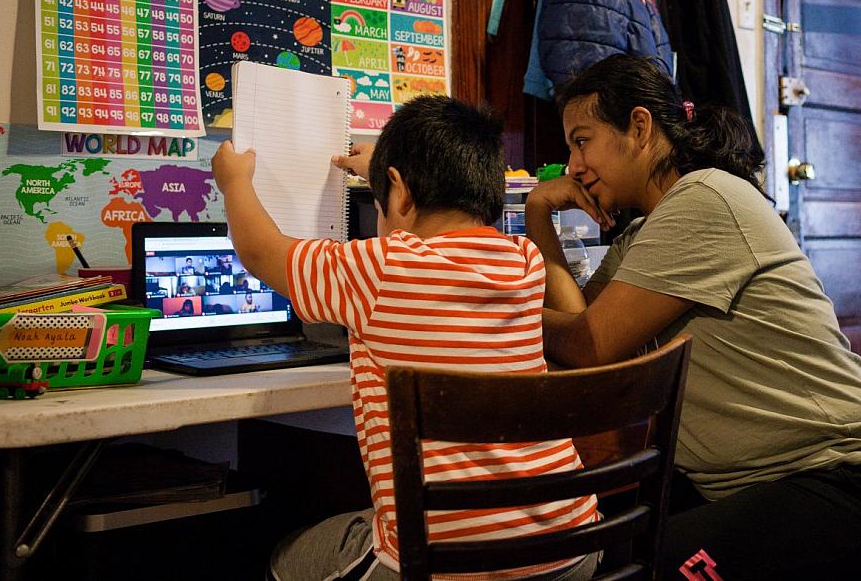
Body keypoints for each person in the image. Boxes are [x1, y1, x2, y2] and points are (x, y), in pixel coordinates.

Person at [525, 54, 861, 581]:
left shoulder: (704, 199)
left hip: (849, 487)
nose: (574, 165)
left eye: (582, 141)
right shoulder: (649, 229)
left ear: (640, 127)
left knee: (623, 572)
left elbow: (588, 344)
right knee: (596, 549)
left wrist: (518, 317)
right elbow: (583, 335)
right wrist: (539, 213)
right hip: (762, 485)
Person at [212, 94, 599, 581]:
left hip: (438, 567)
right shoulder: (521, 261)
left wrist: (234, 182)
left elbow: (260, 250)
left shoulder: (380, 267)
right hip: (573, 550)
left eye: (380, 206)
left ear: (399, 195)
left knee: (283, 556)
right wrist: (392, 175)